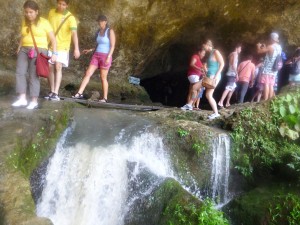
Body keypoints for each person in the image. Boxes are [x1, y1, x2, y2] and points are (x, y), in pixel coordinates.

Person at [12, 0, 57, 109]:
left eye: (31, 12)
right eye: (26, 12)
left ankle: (34, 100)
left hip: (39, 50)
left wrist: (54, 53)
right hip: (24, 49)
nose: (28, 14)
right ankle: (22, 98)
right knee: (20, 72)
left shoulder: (44, 22)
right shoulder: (25, 21)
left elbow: (53, 39)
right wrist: (19, 47)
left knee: (33, 75)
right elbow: (23, 35)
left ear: (37, 11)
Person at [72, 15, 115, 102]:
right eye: (99, 21)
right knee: (88, 73)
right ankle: (79, 93)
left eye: (102, 21)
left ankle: (105, 98)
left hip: (105, 56)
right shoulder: (98, 32)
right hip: (96, 55)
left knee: (103, 77)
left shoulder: (110, 31)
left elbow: (112, 46)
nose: (100, 23)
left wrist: (109, 57)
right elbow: (98, 44)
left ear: (105, 22)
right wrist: (90, 50)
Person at [45, 0, 80, 101]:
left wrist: (76, 48)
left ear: (67, 5)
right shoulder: (51, 12)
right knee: (49, 67)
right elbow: (47, 28)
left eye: (63, 4)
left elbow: (74, 34)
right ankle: (51, 90)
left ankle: (56, 92)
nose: (61, 6)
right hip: (51, 45)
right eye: (59, 3)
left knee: (58, 66)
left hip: (63, 46)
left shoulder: (70, 18)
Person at [203, 39, 224, 119]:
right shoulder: (209, 54)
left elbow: (222, 64)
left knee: (208, 94)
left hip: (214, 76)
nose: (203, 47)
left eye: (203, 45)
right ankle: (215, 113)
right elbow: (210, 66)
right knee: (206, 94)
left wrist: (215, 76)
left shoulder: (215, 52)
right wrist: (205, 69)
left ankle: (216, 113)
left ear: (207, 44)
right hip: (209, 76)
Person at [256, 32, 282, 100]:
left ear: (271, 39)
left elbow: (259, 51)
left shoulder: (270, 47)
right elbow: (268, 52)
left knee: (266, 84)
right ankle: (270, 100)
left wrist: (258, 46)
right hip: (274, 69)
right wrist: (265, 47)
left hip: (267, 69)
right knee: (271, 85)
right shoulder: (279, 47)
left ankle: (265, 99)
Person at [218, 43, 242, 108]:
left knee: (233, 88)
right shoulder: (235, 54)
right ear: (237, 48)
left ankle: (227, 102)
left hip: (230, 73)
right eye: (240, 48)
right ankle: (220, 102)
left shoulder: (231, 54)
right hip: (232, 74)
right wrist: (237, 74)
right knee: (228, 88)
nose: (240, 50)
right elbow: (233, 65)